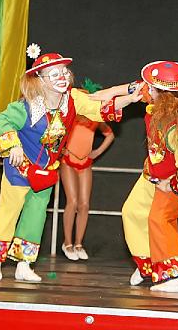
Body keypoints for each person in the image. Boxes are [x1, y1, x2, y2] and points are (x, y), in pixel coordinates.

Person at [0, 44, 143, 282]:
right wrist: (13, 145)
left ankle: (24, 264)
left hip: (46, 171)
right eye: (54, 73)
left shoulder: (73, 100)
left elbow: (99, 108)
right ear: (40, 80)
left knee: (36, 216)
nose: (62, 77)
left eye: (64, 71)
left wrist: (129, 99)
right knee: (9, 211)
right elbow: (1, 121)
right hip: (20, 169)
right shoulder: (26, 107)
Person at [92, 60, 178, 293]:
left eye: (152, 88)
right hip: (153, 173)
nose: (147, 90)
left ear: (167, 96)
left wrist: (174, 185)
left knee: (160, 220)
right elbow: (133, 89)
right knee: (132, 212)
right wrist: (105, 94)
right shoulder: (159, 99)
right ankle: (149, 265)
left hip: (174, 179)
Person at [60, 78, 115, 261]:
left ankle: (78, 243)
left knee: (84, 204)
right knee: (72, 202)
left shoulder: (95, 119)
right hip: (68, 161)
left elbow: (110, 135)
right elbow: (56, 131)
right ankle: (67, 243)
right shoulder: (72, 116)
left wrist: (97, 152)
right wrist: (62, 149)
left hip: (85, 163)